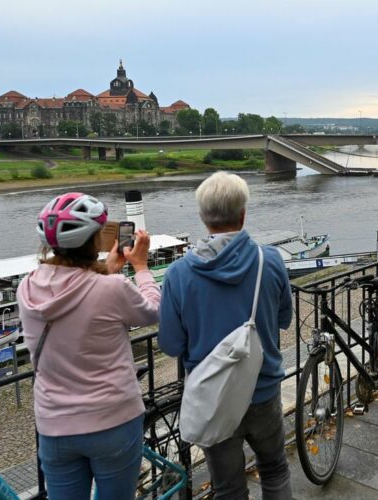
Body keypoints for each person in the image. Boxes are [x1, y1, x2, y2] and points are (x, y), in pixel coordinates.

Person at [158, 172, 293, 499]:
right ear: (243, 214)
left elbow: (171, 344)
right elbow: (285, 319)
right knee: (274, 470)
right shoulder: (270, 261)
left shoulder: (178, 274)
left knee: (228, 488)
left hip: (213, 398)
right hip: (262, 390)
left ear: (203, 218)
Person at [17, 192, 160, 499]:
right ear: (95, 239)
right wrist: (142, 267)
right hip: (113, 419)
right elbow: (152, 311)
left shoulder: (26, 287)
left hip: (55, 424)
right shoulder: (111, 288)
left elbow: (73, 292)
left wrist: (110, 268)